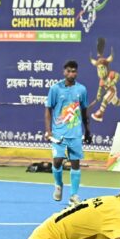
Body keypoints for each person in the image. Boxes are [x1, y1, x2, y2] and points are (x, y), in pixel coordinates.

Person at [45, 60, 91, 206]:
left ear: (77, 72)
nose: (71, 74)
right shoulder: (55, 89)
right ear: (64, 72)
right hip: (58, 133)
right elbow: (48, 109)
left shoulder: (82, 89)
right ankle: (58, 184)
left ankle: (73, 195)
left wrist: (87, 130)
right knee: (58, 160)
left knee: (75, 163)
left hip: (75, 133)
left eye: (74, 71)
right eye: (69, 71)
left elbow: (84, 110)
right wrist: (48, 131)